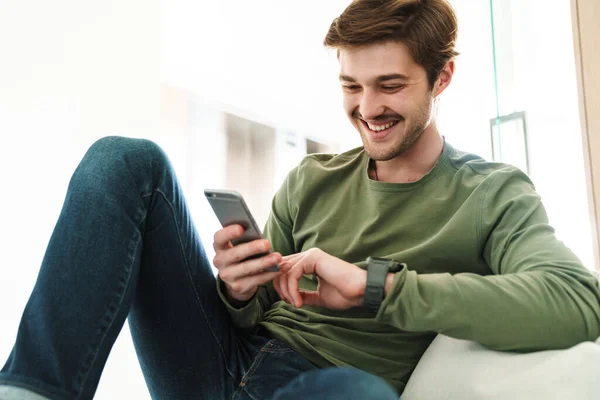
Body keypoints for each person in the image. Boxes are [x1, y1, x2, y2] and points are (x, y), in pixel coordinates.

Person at [2, 0, 600, 399]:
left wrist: (378, 287)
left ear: (441, 78)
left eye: (390, 85)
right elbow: (255, 311)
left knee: (358, 396)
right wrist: (239, 288)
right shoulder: (312, 178)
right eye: (351, 86)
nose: (367, 109)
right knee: (126, 160)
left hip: (328, 386)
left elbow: (576, 299)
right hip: (217, 362)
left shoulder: (492, 193)